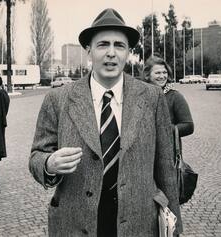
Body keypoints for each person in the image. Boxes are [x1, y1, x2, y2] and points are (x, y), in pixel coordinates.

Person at [29, 8, 182, 236]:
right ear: (89, 50)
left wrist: (175, 226)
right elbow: (36, 156)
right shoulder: (58, 99)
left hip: (139, 222)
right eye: (103, 45)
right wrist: (49, 163)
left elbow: (165, 169)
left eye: (119, 45)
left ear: (129, 52)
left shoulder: (152, 97)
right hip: (76, 221)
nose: (111, 53)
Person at [143, 55, 194, 150]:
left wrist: (161, 129)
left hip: (168, 153)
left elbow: (189, 126)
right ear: (147, 75)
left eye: (164, 72)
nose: (162, 76)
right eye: (158, 73)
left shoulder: (175, 96)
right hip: (144, 152)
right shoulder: (140, 95)